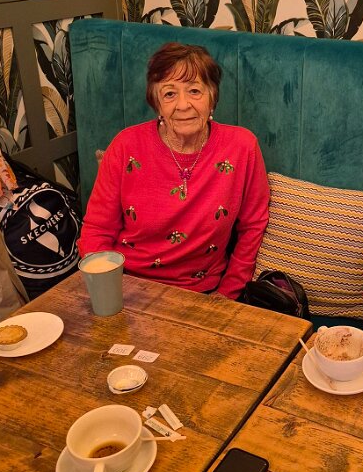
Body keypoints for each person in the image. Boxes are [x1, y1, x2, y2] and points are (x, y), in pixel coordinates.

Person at [78, 42, 269, 298]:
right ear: (156, 103)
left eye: (194, 91)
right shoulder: (125, 146)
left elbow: (253, 225)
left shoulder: (242, 147)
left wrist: (228, 293)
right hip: (127, 285)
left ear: (212, 97)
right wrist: (107, 291)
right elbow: (98, 229)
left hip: (203, 292)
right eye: (169, 94)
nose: (183, 105)